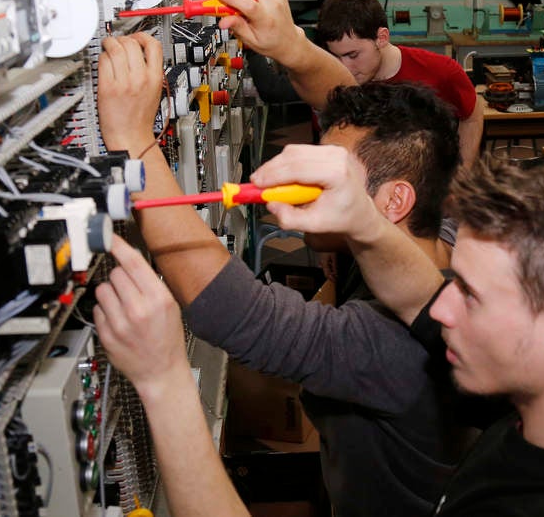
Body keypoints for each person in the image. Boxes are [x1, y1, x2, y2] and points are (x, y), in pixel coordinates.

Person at [96, 151, 544, 517]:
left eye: (472, 295)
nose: (443, 306)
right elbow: (421, 295)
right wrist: (365, 221)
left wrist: (166, 383)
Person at [97, 34, 476, 517]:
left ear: (393, 201)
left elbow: (238, 311)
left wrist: (135, 142)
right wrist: (287, 42)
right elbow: (369, 129)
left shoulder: (392, 344)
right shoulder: (442, 228)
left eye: (327, 177)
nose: (305, 186)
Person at [316, 0, 484, 167]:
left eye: (353, 55)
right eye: (336, 56)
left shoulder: (441, 72)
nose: (345, 67)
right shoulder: (334, 81)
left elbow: (472, 116)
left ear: (381, 38)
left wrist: (462, 177)